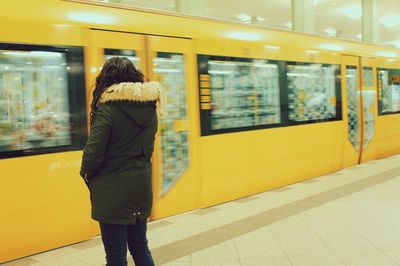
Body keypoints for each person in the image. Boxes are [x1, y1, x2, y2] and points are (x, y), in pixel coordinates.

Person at [80, 57, 166, 266]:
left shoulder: (108, 108)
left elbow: (93, 153)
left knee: (116, 254)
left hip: (113, 191)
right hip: (140, 187)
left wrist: (86, 172)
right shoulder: (150, 108)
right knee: (139, 246)